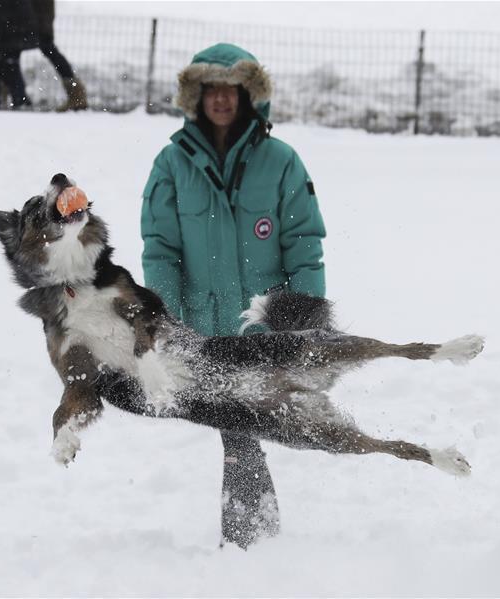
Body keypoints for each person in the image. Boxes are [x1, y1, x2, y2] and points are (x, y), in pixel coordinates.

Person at [140, 43, 326, 549]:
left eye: (231, 90)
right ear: (196, 97)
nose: (221, 100)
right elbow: (160, 251)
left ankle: (251, 541)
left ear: (249, 95)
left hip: (262, 330)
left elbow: (304, 249)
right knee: (240, 432)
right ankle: (254, 539)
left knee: (244, 431)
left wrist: (303, 323)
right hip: (203, 331)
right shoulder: (171, 164)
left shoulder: (281, 162)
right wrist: (169, 322)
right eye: (211, 91)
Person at [30, 0, 88, 111]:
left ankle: (76, 93)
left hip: (36, 21)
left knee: (10, 54)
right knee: (11, 53)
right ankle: (76, 92)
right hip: (37, 20)